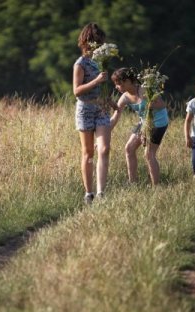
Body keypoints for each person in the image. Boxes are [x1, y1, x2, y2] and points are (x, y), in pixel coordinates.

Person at [73, 22, 115, 204]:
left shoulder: (101, 62)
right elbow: (77, 91)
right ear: (86, 42)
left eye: (101, 43)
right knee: (88, 153)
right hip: (85, 110)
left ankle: (100, 193)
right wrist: (96, 81)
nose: (99, 46)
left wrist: (109, 100)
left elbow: (104, 85)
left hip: (101, 109)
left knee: (104, 149)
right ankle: (88, 193)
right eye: (96, 42)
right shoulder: (80, 64)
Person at [110, 67, 169, 186]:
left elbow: (163, 105)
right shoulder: (125, 97)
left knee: (149, 154)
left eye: (118, 84)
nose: (116, 87)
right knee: (129, 148)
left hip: (159, 122)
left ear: (127, 81)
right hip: (144, 123)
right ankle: (133, 183)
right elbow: (115, 117)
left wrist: (152, 105)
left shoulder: (144, 90)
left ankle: (156, 187)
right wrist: (103, 136)